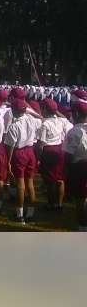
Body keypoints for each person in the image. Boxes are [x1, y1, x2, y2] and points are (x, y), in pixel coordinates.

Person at [5, 99, 42, 224]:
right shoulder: (32, 120)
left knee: (20, 185)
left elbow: (10, 147)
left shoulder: (14, 126)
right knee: (30, 184)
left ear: (14, 110)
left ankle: (19, 214)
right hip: (30, 151)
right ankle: (31, 214)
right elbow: (41, 118)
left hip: (19, 153)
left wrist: (8, 162)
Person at [37, 97, 71, 212]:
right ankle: (60, 204)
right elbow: (65, 119)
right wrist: (55, 110)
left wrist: (38, 157)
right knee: (60, 179)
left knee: (50, 180)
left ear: (45, 109)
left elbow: (41, 143)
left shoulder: (45, 124)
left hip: (49, 151)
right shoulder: (62, 121)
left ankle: (52, 204)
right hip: (60, 149)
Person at [63, 95, 87, 231]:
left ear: (76, 114)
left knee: (81, 199)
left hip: (80, 167)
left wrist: (66, 172)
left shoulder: (74, 132)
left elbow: (68, 155)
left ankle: (83, 227)